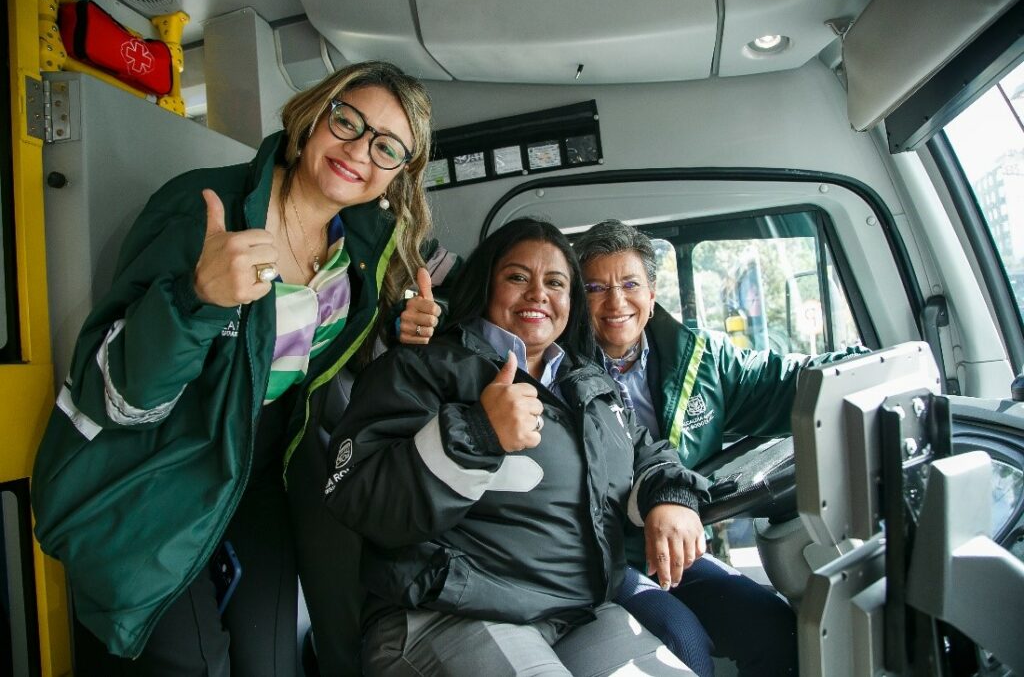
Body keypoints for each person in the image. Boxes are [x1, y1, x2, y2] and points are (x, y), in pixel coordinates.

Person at [30, 60, 435, 676]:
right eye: (347, 120)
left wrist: (397, 335)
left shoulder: (361, 253)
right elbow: (115, 388)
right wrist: (197, 301)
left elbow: (307, 363)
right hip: (166, 467)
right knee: (195, 665)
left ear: (397, 176)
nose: (357, 149)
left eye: (386, 147)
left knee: (273, 665)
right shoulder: (204, 208)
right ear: (314, 115)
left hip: (259, 471)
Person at [321, 218, 712, 676]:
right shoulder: (424, 367)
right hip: (448, 613)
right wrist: (477, 433)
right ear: (486, 284)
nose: (537, 294)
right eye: (517, 277)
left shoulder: (589, 384)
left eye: (555, 282)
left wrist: (671, 498)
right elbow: (357, 492)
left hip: (577, 612)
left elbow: (647, 452)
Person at [574, 219, 867, 676]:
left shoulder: (701, 358)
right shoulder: (559, 369)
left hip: (677, 551)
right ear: (577, 300)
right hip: (602, 561)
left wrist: (861, 367)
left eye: (629, 283)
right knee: (681, 646)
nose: (615, 302)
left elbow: (786, 382)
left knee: (779, 631)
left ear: (651, 295)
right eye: (595, 288)